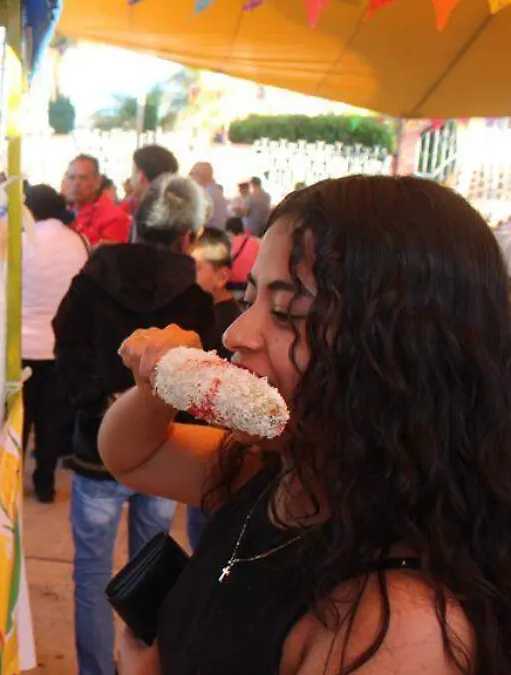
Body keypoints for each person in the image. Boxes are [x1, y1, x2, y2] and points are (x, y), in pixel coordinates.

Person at [111, 176, 511, 675]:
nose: (236, 334)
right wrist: (158, 382)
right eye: (249, 297)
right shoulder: (275, 472)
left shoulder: (400, 630)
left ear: (402, 358)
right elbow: (132, 456)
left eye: (286, 312)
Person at [53, 173, 219, 675]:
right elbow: (208, 376)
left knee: (91, 575)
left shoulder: (93, 276)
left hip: (97, 451)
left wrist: (98, 405)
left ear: (135, 223)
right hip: (163, 452)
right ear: (188, 236)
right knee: (155, 571)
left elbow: (67, 345)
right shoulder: (195, 295)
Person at [21, 184, 88, 503]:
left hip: (20, 348)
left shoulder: (21, 239)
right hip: (59, 348)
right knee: (50, 421)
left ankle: (8, 485)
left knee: (17, 422)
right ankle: (45, 484)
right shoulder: (78, 241)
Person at [183, 227, 242, 548]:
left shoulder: (229, 324)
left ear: (222, 275)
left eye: (197, 269)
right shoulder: (203, 312)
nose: (189, 276)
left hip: (216, 443)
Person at [65, 154, 130, 247]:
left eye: (83, 178)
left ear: (98, 181)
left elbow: (108, 258)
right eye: (71, 177)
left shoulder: (114, 218)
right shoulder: (62, 212)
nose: (76, 184)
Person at [121, 145, 180, 222]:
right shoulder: (177, 213)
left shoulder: (147, 219)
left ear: (141, 176)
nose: (130, 178)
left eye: (132, 172)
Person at [224, 215, 260, 297]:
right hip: (251, 286)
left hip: (232, 286)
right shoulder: (256, 241)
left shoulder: (229, 243)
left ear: (229, 231)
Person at [188, 161, 229, 230]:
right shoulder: (213, 191)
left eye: (191, 173)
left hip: (209, 237)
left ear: (201, 175)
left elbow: (193, 221)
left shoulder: (207, 195)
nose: (189, 177)